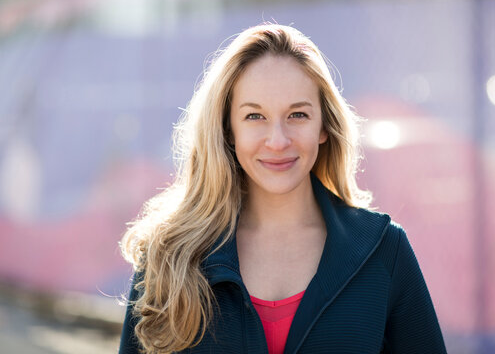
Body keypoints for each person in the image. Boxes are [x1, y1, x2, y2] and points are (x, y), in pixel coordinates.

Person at [119, 24, 447, 354]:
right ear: (228, 129)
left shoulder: (383, 251)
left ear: (324, 126)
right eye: (255, 116)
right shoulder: (169, 255)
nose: (278, 140)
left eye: (298, 114)